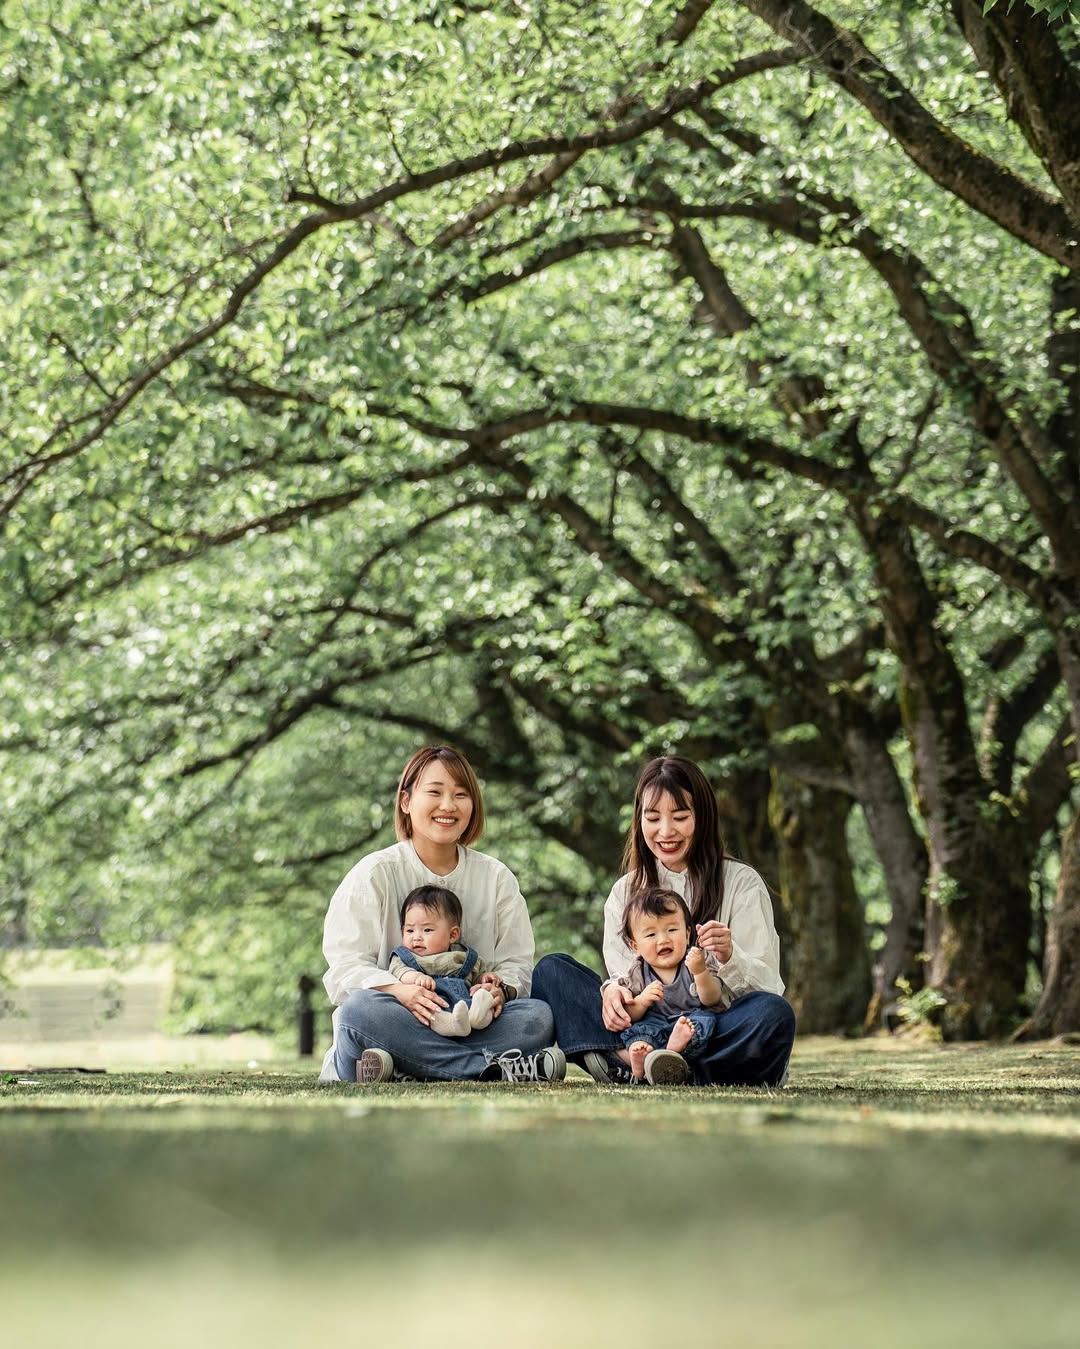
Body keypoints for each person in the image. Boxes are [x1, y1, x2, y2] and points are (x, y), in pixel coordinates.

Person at [531, 755, 795, 1087]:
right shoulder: (625, 891)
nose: (666, 831)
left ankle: (652, 1067)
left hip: (713, 1028)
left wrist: (730, 956)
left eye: (680, 817)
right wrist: (613, 992)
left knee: (773, 1013)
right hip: (642, 1029)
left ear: (703, 818)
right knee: (552, 970)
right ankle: (639, 1061)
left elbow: (768, 986)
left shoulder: (741, 883)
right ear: (639, 820)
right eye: (653, 817)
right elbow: (624, 976)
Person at [319, 745, 565, 1084]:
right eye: (435, 792)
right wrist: (399, 991)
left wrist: (500, 991)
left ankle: (407, 1069)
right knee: (358, 1012)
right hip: (395, 1021)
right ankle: (486, 1070)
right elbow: (344, 970)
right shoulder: (374, 873)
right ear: (406, 802)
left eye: (461, 795)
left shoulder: (496, 878)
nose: (448, 806)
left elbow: (517, 965)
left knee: (538, 1016)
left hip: (470, 1023)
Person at [612, 887, 725, 1085]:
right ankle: (640, 1059)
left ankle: (670, 1054)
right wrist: (642, 1000)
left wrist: (700, 972)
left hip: (688, 1021)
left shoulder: (695, 961)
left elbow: (712, 998)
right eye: (650, 935)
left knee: (704, 1021)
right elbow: (630, 1015)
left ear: (688, 933)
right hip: (655, 1023)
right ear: (635, 945)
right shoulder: (638, 972)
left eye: (672, 930)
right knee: (640, 1030)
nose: (663, 939)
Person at [389, 884, 502, 1037]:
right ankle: (453, 1026)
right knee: (430, 1011)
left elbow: (475, 977)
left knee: (531, 1009)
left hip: (466, 1007)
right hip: (433, 1010)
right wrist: (416, 977)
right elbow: (399, 971)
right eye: (409, 930)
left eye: (427, 930)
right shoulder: (405, 957)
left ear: (452, 935)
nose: (416, 937)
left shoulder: (463, 957)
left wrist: (485, 979)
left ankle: (478, 1017)